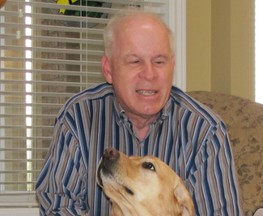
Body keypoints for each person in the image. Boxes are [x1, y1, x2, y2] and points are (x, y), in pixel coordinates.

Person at [35, 10, 243, 216]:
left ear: (172, 66)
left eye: (159, 62)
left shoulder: (205, 132)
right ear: (108, 70)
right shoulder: (79, 117)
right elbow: (58, 204)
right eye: (135, 61)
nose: (149, 74)